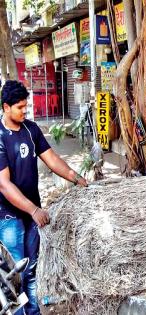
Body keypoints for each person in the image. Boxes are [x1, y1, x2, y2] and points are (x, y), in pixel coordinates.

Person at [0, 80, 88, 314]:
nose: (25, 111)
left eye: (25, 106)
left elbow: (51, 159)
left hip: (32, 213)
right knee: (15, 276)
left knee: (33, 269)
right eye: (19, 107)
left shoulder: (31, 129)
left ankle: (35, 312)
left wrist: (75, 177)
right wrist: (33, 210)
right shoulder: (0, 136)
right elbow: (4, 184)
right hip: (9, 217)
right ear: (6, 107)